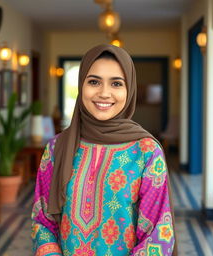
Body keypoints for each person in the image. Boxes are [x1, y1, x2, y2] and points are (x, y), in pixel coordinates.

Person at [31, 44, 176, 255]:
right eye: (94, 82)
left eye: (116, 83)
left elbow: (158, 233)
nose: (104, 93)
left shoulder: (146, 151)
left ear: (129, 90)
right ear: (82, 86)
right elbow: (41, 221)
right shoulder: (56, 148)